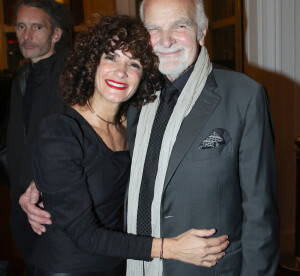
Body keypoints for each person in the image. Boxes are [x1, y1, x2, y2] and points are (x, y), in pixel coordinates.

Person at [21, 0, 280, 275]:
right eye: (154, 29)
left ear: (202, 31)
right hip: (130, 264)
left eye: (179, 26)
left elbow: (261, 212)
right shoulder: (135, 100)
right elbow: (79, 148)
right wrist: (42, 181)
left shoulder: (243, 96)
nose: (166, 40)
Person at [26, 15, 228, 276]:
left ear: (144, 74)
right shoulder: (61, 131)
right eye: (111, 57)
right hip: (67, 268)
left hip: (118, 262)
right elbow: (83, 233)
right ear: (92, 63)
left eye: (133, 63)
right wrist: (172, 248)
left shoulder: (133, 125)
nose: (121, 72)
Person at [6, 0, 72, 263]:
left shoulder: (71, 75)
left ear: (56, 34)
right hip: (21, 198)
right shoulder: (22, 78)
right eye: (21, 27)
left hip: (55, 201)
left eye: (37, 27)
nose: (27, 35)